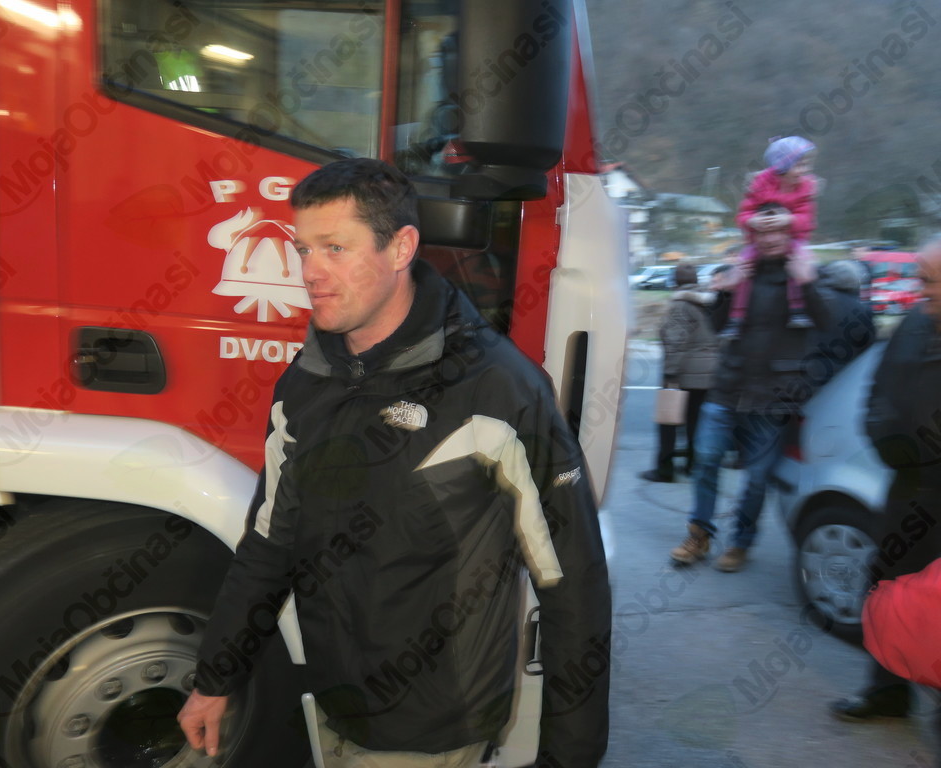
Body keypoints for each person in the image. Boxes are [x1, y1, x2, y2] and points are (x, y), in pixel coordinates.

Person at [177, 158, 612, 767]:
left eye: (335, 248)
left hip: (434, 729)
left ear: (401, 247)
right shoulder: (305, 383)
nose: (310, 272)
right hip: (334, 702)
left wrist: (569, 757)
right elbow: (269, 545)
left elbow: (573, 583)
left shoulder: (496, 389)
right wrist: (215, 678)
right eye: (304, 249)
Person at [669, 210, 833, 572]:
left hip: (774, 397)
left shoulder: (803, 274)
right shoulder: (742, 273)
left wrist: (807, 283)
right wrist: (726, 292)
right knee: (705, 460)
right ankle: (699, 534)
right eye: (763, 232)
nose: (770, 239)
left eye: (778, 231)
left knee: (757, 478)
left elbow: (827, 323)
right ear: (753, 236)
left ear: (790, 234)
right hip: (727, 389)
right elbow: (716, 326)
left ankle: (740, 542)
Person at [830, 236, 941, 723]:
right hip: (907, 489)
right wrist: (881, 430)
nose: (920, 289)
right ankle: (888, 692)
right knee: (890, 591)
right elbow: (880, 385)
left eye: (931, 281)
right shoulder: (915, 322)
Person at [725, 137, 820, 336]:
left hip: (792, 236)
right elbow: (743, 214)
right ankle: (736, 317)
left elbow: (807, 219)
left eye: (805, 165)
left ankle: (798, 308)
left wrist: (789, 219)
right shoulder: (760, 184)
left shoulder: (805, 187)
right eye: (799, 165)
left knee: (800, 263)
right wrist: (752, 221)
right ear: (782, 166)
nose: (804, 170)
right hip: (760, 239)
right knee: (743, 268)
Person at [639, 263, 718, 482]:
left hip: (685, 372)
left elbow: (676, 342)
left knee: (668, 422)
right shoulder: (710, 302)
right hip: (709, 373)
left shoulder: (680, 305)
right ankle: (693, 465)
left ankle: (665, 470)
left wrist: (670, 373)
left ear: (674, 281)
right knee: (696, 422)